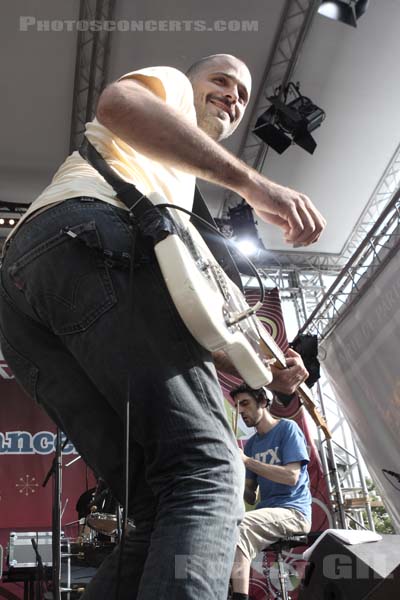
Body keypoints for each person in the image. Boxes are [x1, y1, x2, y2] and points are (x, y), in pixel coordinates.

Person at [0, 54, 324, 599]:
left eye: (243, 95)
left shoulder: (172, 191)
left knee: (157, 504)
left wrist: (269, 373)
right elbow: (119, 105)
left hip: (24, 294)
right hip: (89, 236)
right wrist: (256, 187)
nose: (234, 97)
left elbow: (185, 321)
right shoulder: (169, 88)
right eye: (220, 81)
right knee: (211, 472)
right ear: (191, 84)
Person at [229, 380, 312, 600]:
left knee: (240, 526)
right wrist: (234, 469)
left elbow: (291, 477)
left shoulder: (287, 429)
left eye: (245, 403)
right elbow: (250, 494)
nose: (241, 411)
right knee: (224, 525)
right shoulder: (252, 444)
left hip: (294, 512)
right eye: (237, 407)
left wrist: (247, 461)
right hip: (268, 513)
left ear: (263, 401)